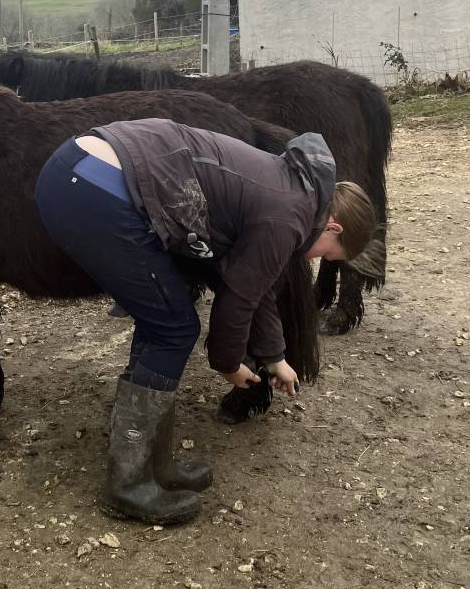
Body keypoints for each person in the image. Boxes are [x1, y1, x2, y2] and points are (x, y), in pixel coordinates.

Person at [34, 119, 376, 526]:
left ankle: (152, 466)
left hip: (81, 168)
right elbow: (239, 298)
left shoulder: (295, 190)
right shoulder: (289, 216)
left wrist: (274, 356)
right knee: (173, 327)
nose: (314, 258)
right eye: (328, 254)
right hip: (92, 185)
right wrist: (228, 364)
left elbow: (254, 282)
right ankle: (127, 485)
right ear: (333, 227)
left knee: (162, 316)